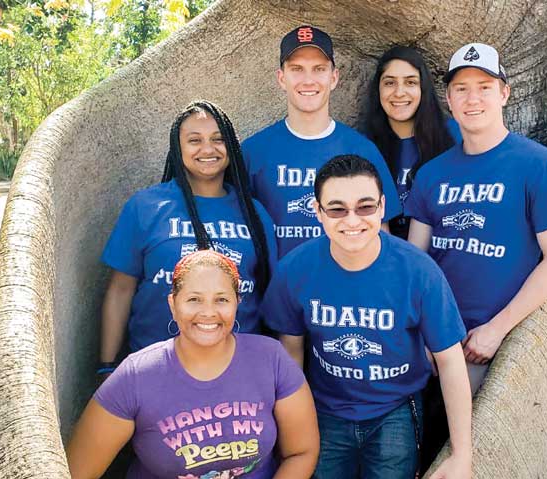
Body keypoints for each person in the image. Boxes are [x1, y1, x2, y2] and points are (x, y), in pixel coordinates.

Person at [261, 155, 472, 479]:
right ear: (318, 211)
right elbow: (291, 354)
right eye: (337, 209)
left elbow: (450, 361)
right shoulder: (295, 269)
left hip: (395, 410)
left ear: (382, 207)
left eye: (365, 207)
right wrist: (292, 430)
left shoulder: (418, 271)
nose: (352, 220)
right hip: (323, 410)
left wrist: (462, 455)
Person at [67, 250, 319, 479]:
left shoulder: (271, 358)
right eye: (194, 300)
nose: (208, 312)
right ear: (173, 304)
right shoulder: (136, 376)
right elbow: (77, 475)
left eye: (221, 299)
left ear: (237, 302)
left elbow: (302, 452)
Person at [405, 43, 547, 394]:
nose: (472, 99)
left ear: (504, 94)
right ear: (449, 100)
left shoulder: (540, 166)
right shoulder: (431, 174)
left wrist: (497, 329)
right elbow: (414, 261)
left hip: (493, 343)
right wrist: (422, 332)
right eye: (461, 89)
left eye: (484, 87)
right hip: (432, 339)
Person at [99, 100, 278, 377]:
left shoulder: (254, 214)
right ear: (177, 148)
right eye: (195, 140)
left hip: (238, 372)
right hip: (155, 371)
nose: (208, 149)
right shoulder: (146, 207)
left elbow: (270, 296)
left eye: (218, 139)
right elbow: (120, 289)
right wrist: (107, 366)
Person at [242, 25, 401, 258]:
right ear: (281, 78)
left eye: (319, 69)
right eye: (297, 69)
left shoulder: (362, 150)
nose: (308, 80)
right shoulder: (253, 151)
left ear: (334, 77)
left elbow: (381, 236)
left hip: (346, 279)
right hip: (279, 280)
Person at [362, 45, 461, 240]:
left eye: (410, 82)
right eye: (389, 83)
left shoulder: (454, 136)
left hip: (444, 248)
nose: (399, 92)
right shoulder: (364, 146)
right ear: (378, 89)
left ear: (423, 88)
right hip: (386, 250)